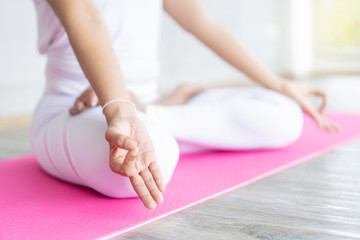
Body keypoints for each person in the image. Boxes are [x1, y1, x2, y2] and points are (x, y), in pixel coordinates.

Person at [30, 0, 338, 210]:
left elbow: (201, 22)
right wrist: (119, 107)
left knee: (284, 117)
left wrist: (280, 84)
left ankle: (151, 112)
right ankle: (150, 120)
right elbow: (86, 17)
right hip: (74, 111)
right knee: (151, 159)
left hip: (139, 106)